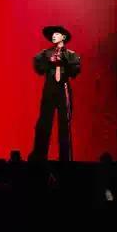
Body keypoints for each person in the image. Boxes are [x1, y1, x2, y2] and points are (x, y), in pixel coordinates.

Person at [30, 25, 81, 162]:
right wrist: (50, 62)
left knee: (65, 124)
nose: (53, 36)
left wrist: (63, 61)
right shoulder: (46, 53)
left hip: (63, 88)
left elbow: (75, 71)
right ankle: (39, 156)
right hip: (50, 88)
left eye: (56, 34)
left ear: (63, 37)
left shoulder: (71, 54)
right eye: (52, 34)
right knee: (44, 122)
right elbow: (38, 67)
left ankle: (65, 158)